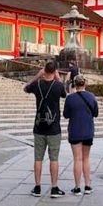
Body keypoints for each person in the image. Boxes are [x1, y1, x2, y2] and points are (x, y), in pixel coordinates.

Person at [24, 60, 67, 198]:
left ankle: (37, 187)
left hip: (39, 127)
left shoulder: (37, 84)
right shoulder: (58, 86)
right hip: (54, 127)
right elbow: (65, 94)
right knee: (54, 158)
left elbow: (25, 88)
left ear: (44, 70)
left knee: (38, 158)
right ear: (55, 71)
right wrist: (59, 78)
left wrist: (37, 76)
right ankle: (54, 188)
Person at [63, 74, 98, 195]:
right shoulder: (91, 96)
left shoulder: (70, 98)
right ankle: (88, 186)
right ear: (85, 84)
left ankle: (77, 187)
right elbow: (95, 113)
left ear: (74, 84)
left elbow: (66, 115)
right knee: (86, 158)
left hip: (75, 131)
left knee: (77, 159)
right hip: (88, 130)